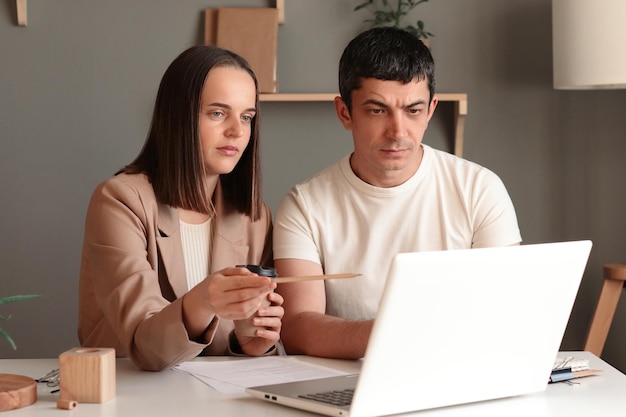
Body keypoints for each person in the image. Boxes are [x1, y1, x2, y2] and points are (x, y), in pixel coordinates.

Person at [273, 27, 522, 359]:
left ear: (431, 109)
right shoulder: (303, 206)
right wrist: (396, 332)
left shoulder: (481, 190)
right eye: (377, 110)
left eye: (413, 111)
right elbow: (298, 328)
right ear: (345, 112)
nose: (398, 132)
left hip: (456, 372)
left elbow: (506, 311)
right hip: (347, 383)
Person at [78, 45, 284, 371]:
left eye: (246, 117)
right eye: (218, 113)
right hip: (127, 396)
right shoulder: (118, 201)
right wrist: (204, 299)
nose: (237, 130)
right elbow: (146, 348)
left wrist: (250, 343)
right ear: (179, 117)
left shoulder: (254, 217)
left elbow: (237, 354)